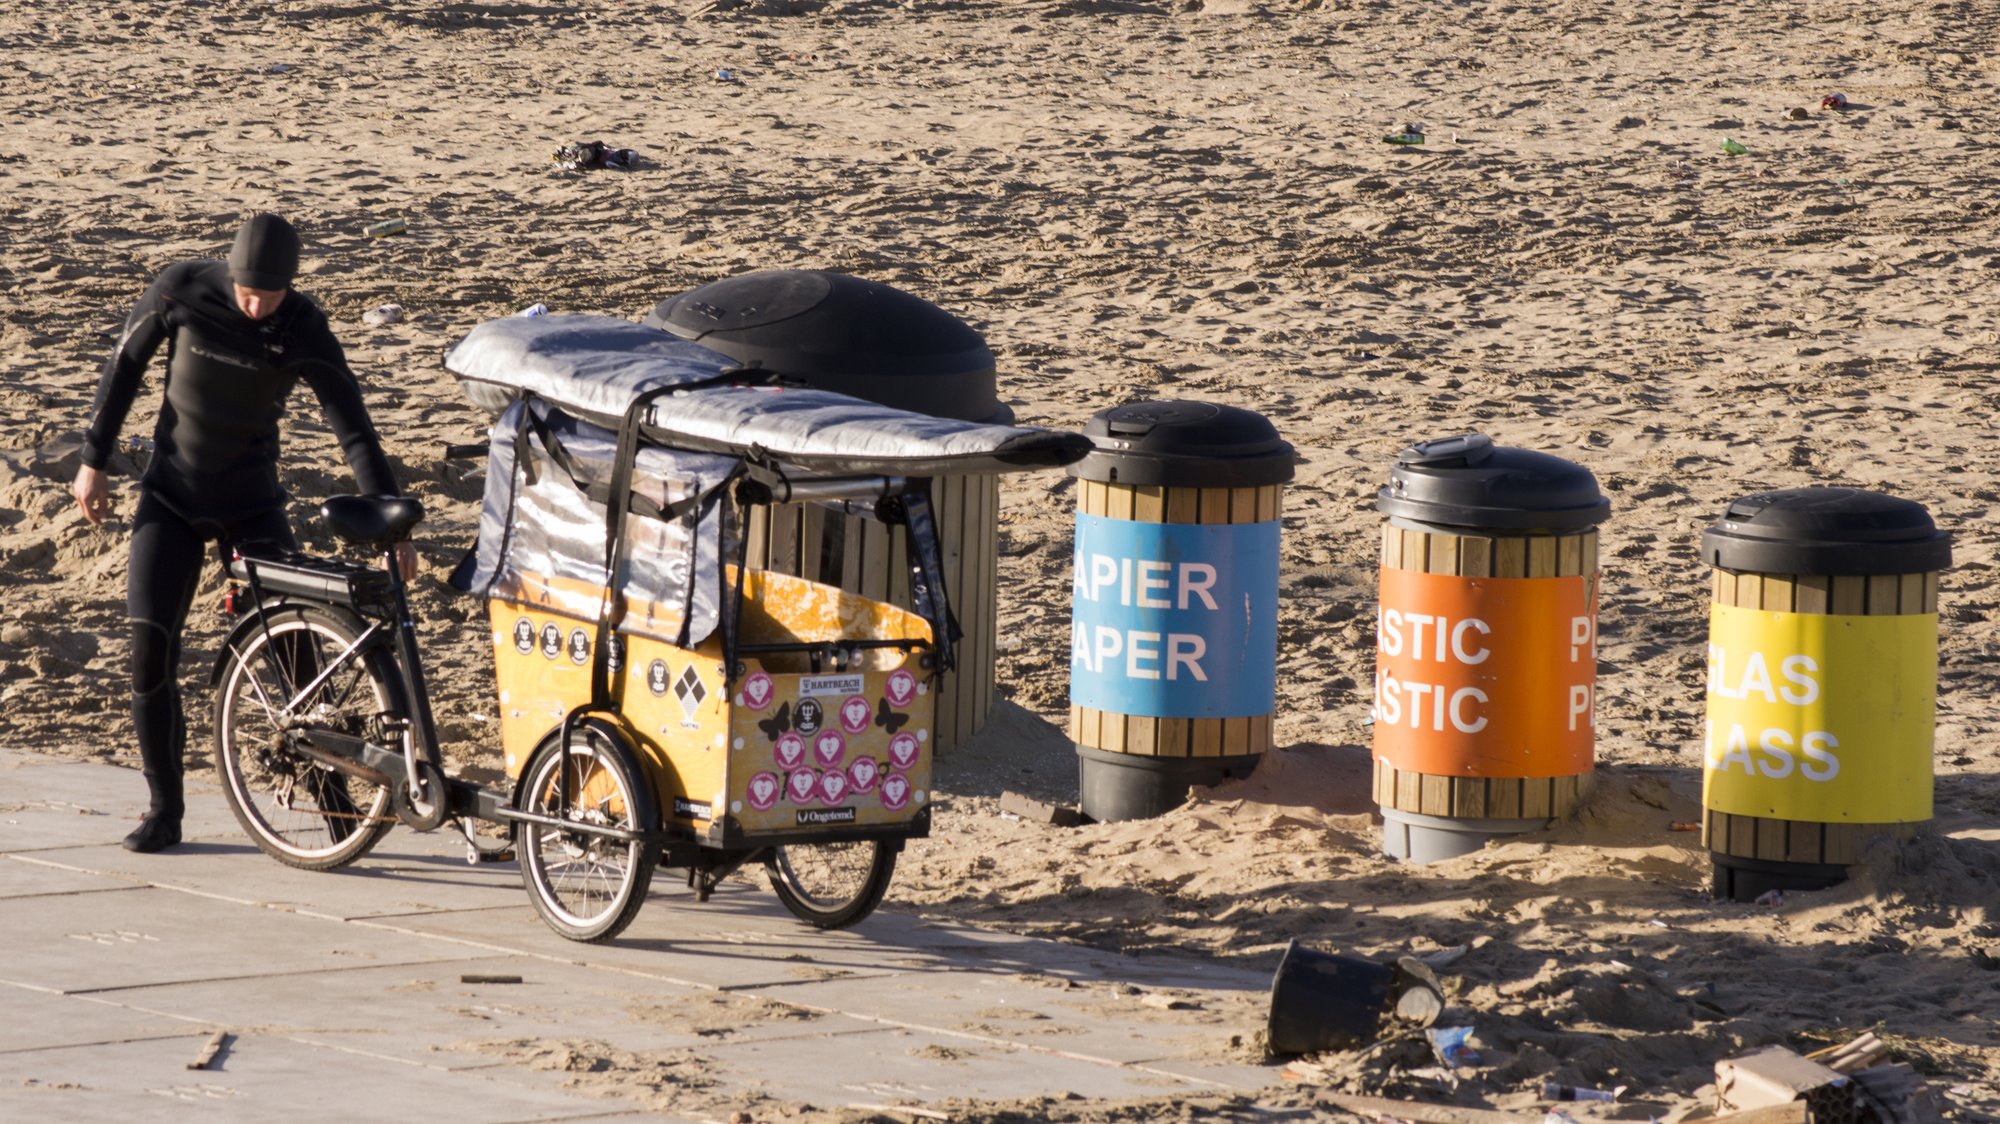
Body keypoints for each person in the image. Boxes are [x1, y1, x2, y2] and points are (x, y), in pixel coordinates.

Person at [73, 213, 416, 853]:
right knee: (148, 653)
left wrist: (392, 522)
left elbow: (353, 425)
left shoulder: (303, 326)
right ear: (230, 275)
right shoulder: (180, 291)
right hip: (170, 498)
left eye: (271, 294)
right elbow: (124, 369)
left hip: (252, 505)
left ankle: (338, 809)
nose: (258, 307)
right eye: (248, 292)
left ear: (291, 285)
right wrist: (93, 461)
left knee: (297, 665)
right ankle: (164, 811)